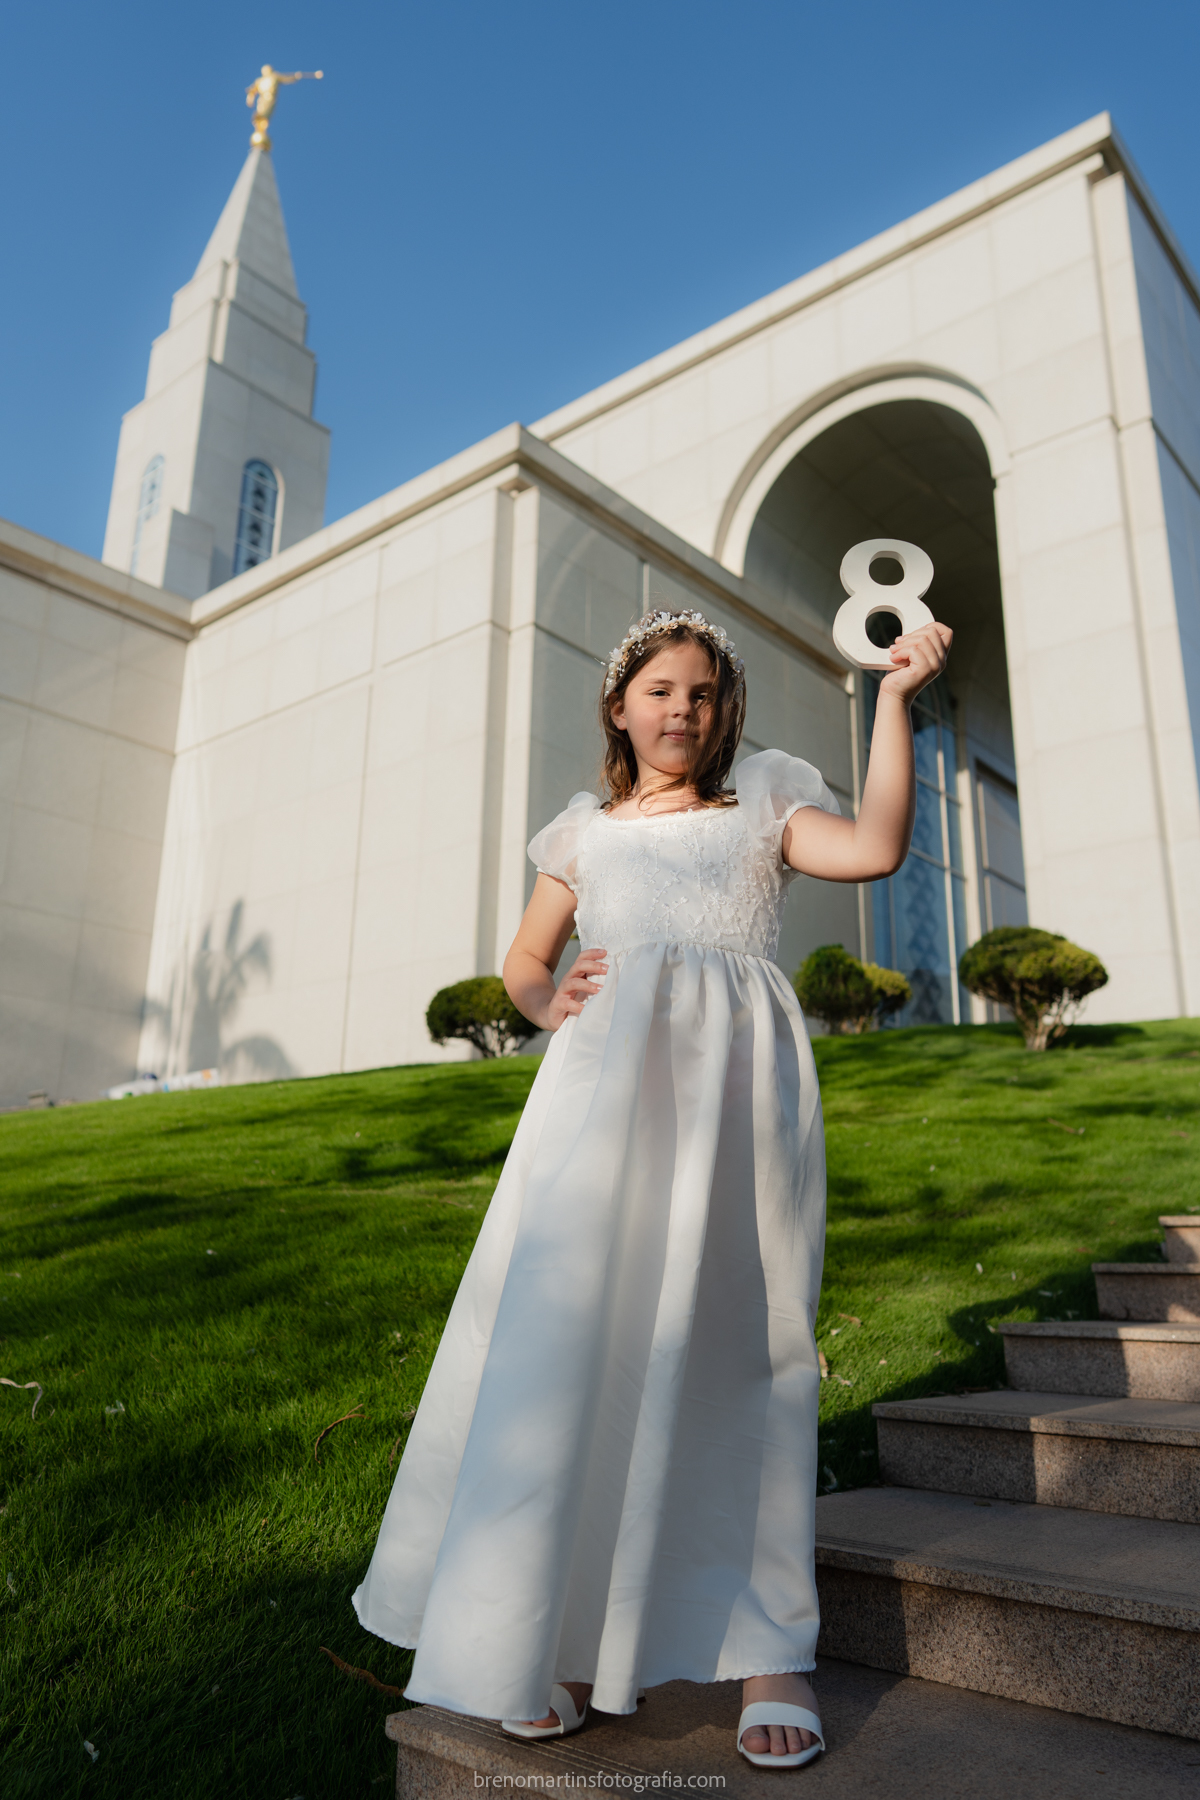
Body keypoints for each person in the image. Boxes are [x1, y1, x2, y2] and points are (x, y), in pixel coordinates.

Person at [353, 603, 951, 1769]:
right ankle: (559, 1637)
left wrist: (894, 702)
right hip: (597, 1109)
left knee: (741, 1342)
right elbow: (528, 964)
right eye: (662, 688)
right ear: (620, 706)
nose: (684, 708)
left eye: (706, 692)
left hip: (734, 1102)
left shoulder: (765, 801)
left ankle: (769, 1649)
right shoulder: (583, 834)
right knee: (580, 1343)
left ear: (725, 713)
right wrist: (546, 1001)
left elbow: (876, 845)